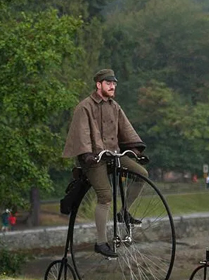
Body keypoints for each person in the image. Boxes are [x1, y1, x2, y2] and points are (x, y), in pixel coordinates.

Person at [62, 69, 148, 258]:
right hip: (94, 158)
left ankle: (124, 212)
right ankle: (101, 243)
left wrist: (134, 148)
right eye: (108, 83)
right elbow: (82, 132)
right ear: (98, 84)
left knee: (142, 174)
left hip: (114, 154)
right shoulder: (85, 107)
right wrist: (87, 154)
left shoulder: (114, 106)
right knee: (105, 196)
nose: (112, 86)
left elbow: (126, 127)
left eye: (114, 83)